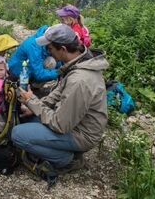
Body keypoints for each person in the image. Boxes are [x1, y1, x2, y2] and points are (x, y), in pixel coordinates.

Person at [11, 23, 108, 173]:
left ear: (62, 49)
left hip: (82, 134)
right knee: (28, 118)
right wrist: (35, 106)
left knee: (18, 134)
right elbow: (57, 94)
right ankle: (62, 149)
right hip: (74, 121)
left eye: (49, 48)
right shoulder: (79, 62)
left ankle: (67, 159)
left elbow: (60, 125)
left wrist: (32, 101)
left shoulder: (80, 80)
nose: (47, 51)